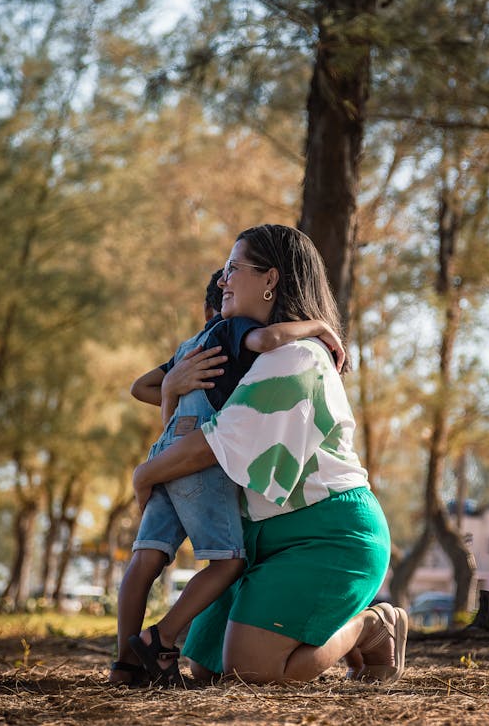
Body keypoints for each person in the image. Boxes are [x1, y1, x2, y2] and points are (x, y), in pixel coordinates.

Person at [131, 224, 408, 686]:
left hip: (327, 534)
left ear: (270, 280)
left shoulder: (297, 357)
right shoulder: (238, 354)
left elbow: (216, 446)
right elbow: (182, 425)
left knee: (249, 672)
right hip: (258, 541)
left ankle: (371, 625)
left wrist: (144, 475)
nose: (222, 280)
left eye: (233, 268)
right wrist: (172, 388)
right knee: (207, 667)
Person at [110, 268, 345, 685]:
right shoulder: (233, 329)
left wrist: (172, 392)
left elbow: (140, 386)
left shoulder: (190, 347)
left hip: (166, 451)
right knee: (228, 563)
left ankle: (124, 664)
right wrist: (319, 325)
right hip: (199, 461)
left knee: (145, 559)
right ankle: (157, 643)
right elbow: (269, 340)